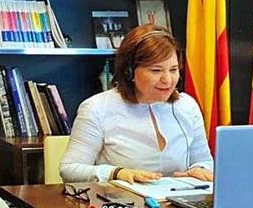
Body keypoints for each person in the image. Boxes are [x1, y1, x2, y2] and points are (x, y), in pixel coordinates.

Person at [60, 25, 213, 183]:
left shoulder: (187, 106)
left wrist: (201, 170)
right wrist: (117, 173)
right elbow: (70, 169)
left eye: (173, 70)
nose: (167, 80)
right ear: (129, 71)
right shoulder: (96, 108)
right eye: (156, 70)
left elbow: (205, 161)